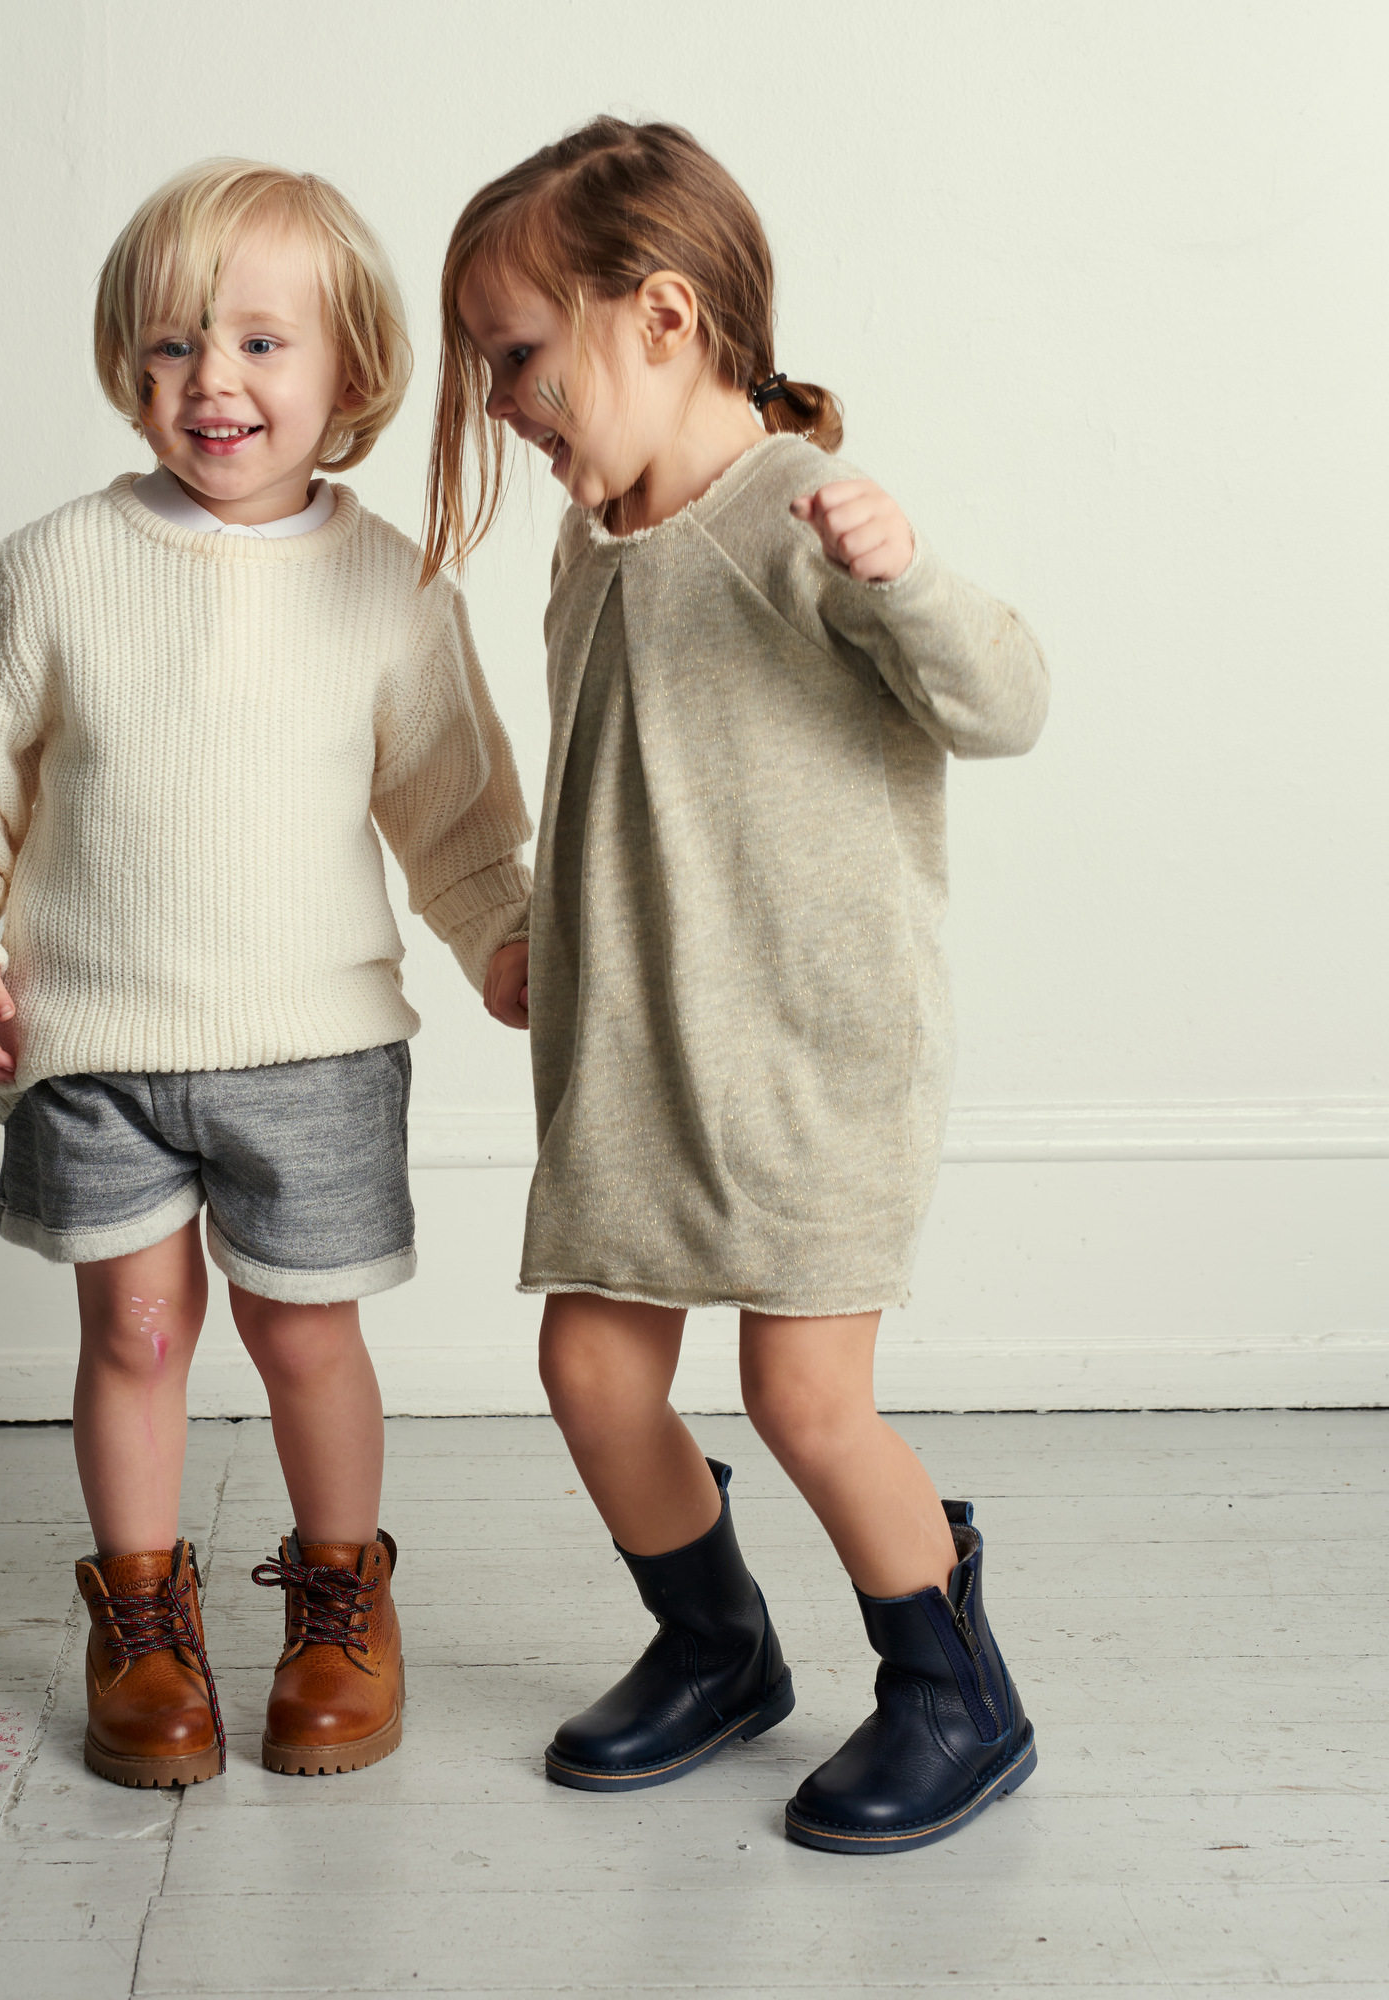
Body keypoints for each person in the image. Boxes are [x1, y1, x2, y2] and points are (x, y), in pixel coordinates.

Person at [434, 117, 1049, 1851]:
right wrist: (544, 925)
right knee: (595, 1372)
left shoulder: (796, 517)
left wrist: (908, 574)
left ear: (664, 315)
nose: (499, 402)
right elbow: (602, 773)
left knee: (803, 1395)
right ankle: (716, 1646)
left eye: (519, 354)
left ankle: (953, 1687)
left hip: (806, 1052)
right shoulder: (587, 546)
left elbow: (1006, 704)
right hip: (636, 1047)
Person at [0, 159, 532, 1789]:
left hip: (312, 1044)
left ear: (349, 373)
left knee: (305, 1334)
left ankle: (340, 1600)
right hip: (97, 1036)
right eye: (176, 347)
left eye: (262, 344)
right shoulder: (50, 570)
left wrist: (502, 938)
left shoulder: (388, 582)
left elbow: (453, 806)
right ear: (130, 365)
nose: (216, 384)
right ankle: (143, 1619)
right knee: (138, 1333)